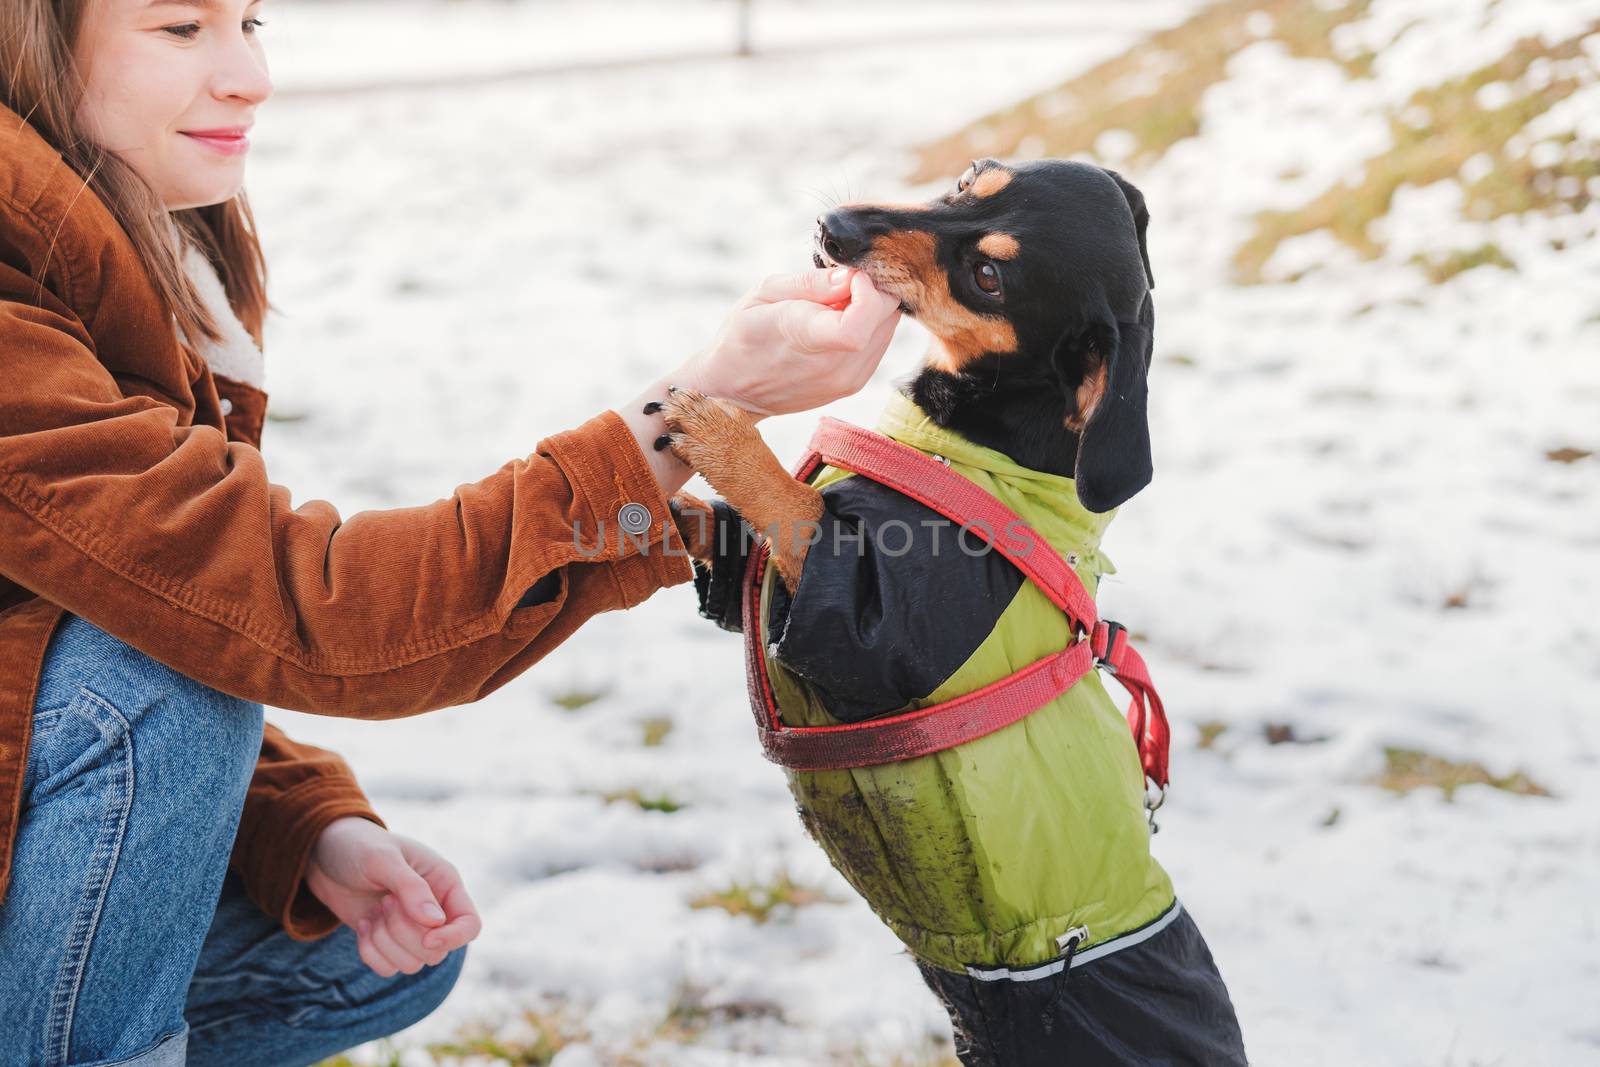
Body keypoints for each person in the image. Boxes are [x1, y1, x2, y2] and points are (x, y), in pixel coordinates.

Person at [0, 1, 903, 1064]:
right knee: (162, 679)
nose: (251, 75)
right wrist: (695, 406)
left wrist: (305, 824)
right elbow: (297, 607)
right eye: (180, 28)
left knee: (349, 950)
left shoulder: (138, 253)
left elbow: (113, 613)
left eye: (248, 19)